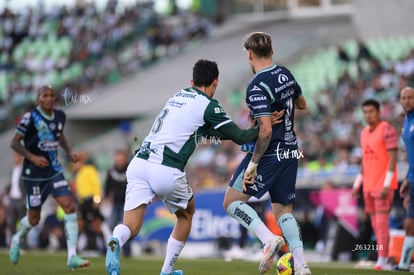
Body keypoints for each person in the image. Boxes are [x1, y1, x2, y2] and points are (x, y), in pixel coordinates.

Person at [105, 59, 278, 275]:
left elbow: (202, 131)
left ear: (192, 80)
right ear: (215, 83)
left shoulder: (177, 96)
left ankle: (115, 241)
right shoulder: (209, 105)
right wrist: (265, 124)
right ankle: (167, 271)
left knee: (130, 226)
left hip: (139, 163)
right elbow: (240, 136)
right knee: (186, 215)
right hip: (166, 168)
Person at [222, 31, 310, 275]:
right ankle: (302, 266)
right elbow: (302, 104)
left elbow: (266, 130)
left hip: (270, 153)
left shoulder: (256, 86)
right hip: (291, 150)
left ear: (249, 55)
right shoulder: (286, 74)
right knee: (283, 210)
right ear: (272, 51)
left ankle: (268, 239)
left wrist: (253, 163)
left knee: (231, 202)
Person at [9, 85, 90, 269]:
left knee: (69, 207)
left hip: (54, 170)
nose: (49, 98)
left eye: (51, 95)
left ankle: (72, 257)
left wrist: (69, 151)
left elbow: (59, 136)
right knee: (34, 218)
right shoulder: (30, 117)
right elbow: (14, 142)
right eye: (45, 95)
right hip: (34, 175)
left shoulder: (60, 115)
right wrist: (32, 157)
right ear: (38, 98)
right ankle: (17, 238)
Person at [351, 98, 398, 270]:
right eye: (365, 112)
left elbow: (393, 157)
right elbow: (364, 160)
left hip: (382, 185)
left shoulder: (386, 129)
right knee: (374, 225)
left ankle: (383, 260)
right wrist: (358, 184)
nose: (368, 115)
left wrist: (387, 183)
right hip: (368, 185)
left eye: (371, 111)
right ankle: (382, 257)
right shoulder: (363, 132)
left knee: (381, 223)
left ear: (379, 112)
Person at [396, 86, 414, 271]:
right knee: (409, 223)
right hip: (413, 179)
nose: (407, 101)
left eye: (411, 97)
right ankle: (404, 263)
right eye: (404, 98)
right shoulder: (406, 122)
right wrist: (408, 179)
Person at [104, 149, 131, 257]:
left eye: (121, 159)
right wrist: (105, 197)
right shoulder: (111, 170)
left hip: (127, 204)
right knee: (111, 225)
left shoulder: (130, 169)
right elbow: (108, 185)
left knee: (127, 227)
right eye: (118, 159)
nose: (120, 161)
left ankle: (127, 251)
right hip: (116, 203)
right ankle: (116, 245)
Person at [6, 153, 25, 246]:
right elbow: (11, 185)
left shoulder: (24, 171)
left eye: (17, 156)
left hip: (21, 200)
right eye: (15, 157)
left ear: (21, 158)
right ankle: (13, 244)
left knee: (22, 224)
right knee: (11, 223)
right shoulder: (12, 170)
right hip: (12, 200)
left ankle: (23, 244)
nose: (15, 159)